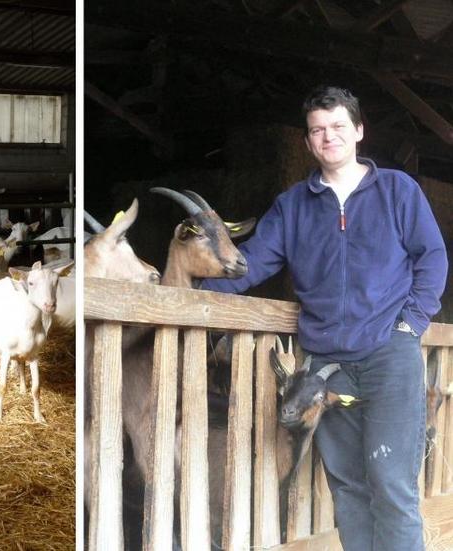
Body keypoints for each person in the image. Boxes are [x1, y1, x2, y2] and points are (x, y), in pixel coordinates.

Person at [198, 86, 447, 550]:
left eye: (337, 126)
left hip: (389, 360)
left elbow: (431, 258)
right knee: (348, 485)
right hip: (329, 370)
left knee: (392, 484)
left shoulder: (397, 190)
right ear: (308, 142)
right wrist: (188, 290)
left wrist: (411, 323)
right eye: (317, 130)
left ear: (358, 131)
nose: (328, 136)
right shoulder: (293, 206)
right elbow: (251, 264)